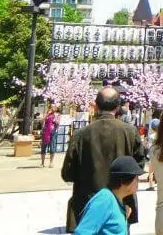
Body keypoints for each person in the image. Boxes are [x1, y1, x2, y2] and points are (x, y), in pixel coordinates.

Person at [61, 87, 146, 233]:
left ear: (96, 105)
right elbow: (138, 166)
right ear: (118, 106)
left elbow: (68, 173)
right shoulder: (130, 132)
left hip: (87, 202)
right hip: (122, 201)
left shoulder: (81, 135)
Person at [74, 156, 144, 235]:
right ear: (124, 180)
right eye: (136, 178)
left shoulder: (117, 201)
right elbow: (82, 232)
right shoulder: (104, 200)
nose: (138, 181)